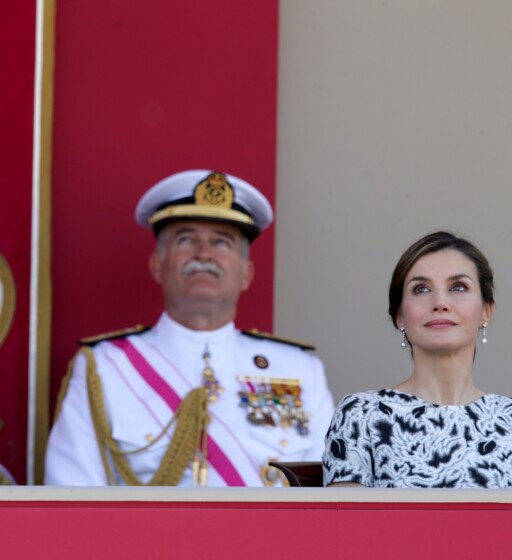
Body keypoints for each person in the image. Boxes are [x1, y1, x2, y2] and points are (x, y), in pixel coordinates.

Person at [45, 170, 334, 486]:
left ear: (246, 273)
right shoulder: (104, 368)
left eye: (221, 242)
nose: (204, 254)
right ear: (158, 265)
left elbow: (325, 492)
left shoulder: (300, 370)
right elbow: (71, 493)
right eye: (186, 239)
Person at [323, 231, 512, 489]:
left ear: (486, 311)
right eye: (421, 289)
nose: (440, 302)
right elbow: (344, 527)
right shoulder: (361, 414)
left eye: (458, 287)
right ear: (400, 316)